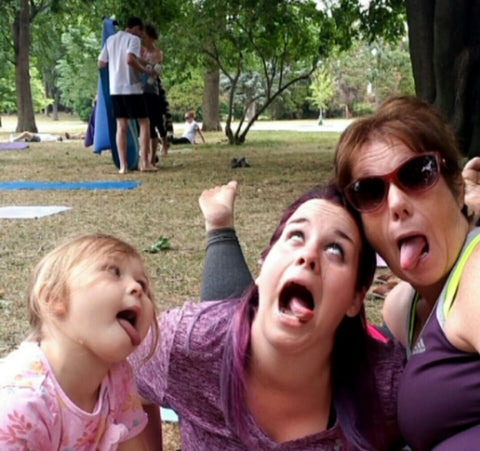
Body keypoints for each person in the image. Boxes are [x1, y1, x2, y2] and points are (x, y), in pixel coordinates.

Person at [130, 182, 405, 450]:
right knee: (226, 316)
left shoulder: (386, 389)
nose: (308, 255)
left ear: (357, 298)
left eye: (335, 249)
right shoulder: (185, 343)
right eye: (296, 235)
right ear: (264, 263)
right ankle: (219, 226)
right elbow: (117, 380)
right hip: (226, 328)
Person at [334, 95, 480, 450]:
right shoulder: (404, 308)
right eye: (369, 192)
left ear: (456, 188)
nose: (397, 203)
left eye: (418, 175)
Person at [0, 233, 158, 450]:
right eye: (114, 271)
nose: (137, 288)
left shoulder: (117, 377)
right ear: (53, 297)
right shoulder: (21, 404)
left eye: (143, 284)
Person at [97, 16, 158, 174]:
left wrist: (115, 69)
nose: (140, 35)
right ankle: (144, 163)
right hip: (132, 87)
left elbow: (101, 63)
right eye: (140, 32)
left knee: (121, 126)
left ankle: (123, 166)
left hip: (115, 89)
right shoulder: (133, 39)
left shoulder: (111, 40)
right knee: (144, 122)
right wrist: (146, 71)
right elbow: (130, 59)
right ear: (136, 28)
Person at [141, 23, 170, 163]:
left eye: (145, 37)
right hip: (141, 91)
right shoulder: (141, 52)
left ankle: (155, 154)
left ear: (151, 37)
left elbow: (155, 72)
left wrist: (146, 67)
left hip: (152, 92)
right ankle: (147, 156)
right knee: (146, 124)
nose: (143, 40)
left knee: (155, 121)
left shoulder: (157, 53)